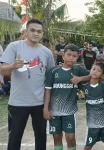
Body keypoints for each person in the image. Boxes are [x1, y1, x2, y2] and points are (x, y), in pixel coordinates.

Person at [0, 19, 55, 150]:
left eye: (39, 31)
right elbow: (2, 69)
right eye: (32, 30)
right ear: (26, 32)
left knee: (41, 137)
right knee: (14, 138)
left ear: (42, 33)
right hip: (18, 102)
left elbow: (50, 77)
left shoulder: (47, 52)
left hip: (39, 103)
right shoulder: (14, 46)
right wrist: (13, 65)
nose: (36, 34)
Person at [44, 44, 90, 150]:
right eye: (69, 55)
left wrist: (80, 79)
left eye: (74, 56)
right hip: (54, 111)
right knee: (57, 137)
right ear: (63, 55)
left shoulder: (78, 70)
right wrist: (45, 109)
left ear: (77, 57)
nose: (71, 58)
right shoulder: (52, 71)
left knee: (70, 138)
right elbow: (47, 91)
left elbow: (95, 75)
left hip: (69, 111)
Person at [80, 63, 104, 150]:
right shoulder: (84, 85)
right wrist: (79, 94)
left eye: (99, 71)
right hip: (92, 122)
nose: (95, 72)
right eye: (94, 69)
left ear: (102, 75)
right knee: (88, 145)